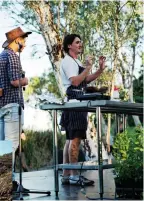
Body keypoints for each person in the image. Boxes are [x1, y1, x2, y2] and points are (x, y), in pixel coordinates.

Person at [60, 34, 106, 185]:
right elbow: (75, 81)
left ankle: (67, 175)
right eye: (77, 42)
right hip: (75, 103)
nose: (80, 44)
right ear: (69, 46)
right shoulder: (67, 61)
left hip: (76, 103)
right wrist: (87, 67)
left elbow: (85, 79)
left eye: (81, 42)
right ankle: (73, 176)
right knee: (75, 140)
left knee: (69, 139)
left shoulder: (75, 61)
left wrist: (99, 70)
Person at [0, 27, 32, 194]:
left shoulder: (1, 56)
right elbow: (14, 81)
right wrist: (25, 80)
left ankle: (8, 184)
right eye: (23, 41)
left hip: (1, 105)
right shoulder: (12, 56)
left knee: (3, 147)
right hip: (12, 105)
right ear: (16, 41)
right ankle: (7, 186)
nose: (25, 45)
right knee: (11, 147)